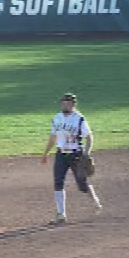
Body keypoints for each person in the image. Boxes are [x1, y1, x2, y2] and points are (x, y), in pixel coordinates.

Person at [40, 92, 103, 223]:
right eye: (63, 102)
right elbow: (53, 137)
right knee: (58, 183)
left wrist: (86, 153)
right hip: (61, 154)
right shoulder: (57, 117)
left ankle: (96, 202)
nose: (65, 104)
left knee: (82, 184)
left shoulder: (79, 119)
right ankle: (61, 214)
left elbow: (89, 137)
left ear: (73, 104)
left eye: (68, 102)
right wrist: (45, 153)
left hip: (76, 155)